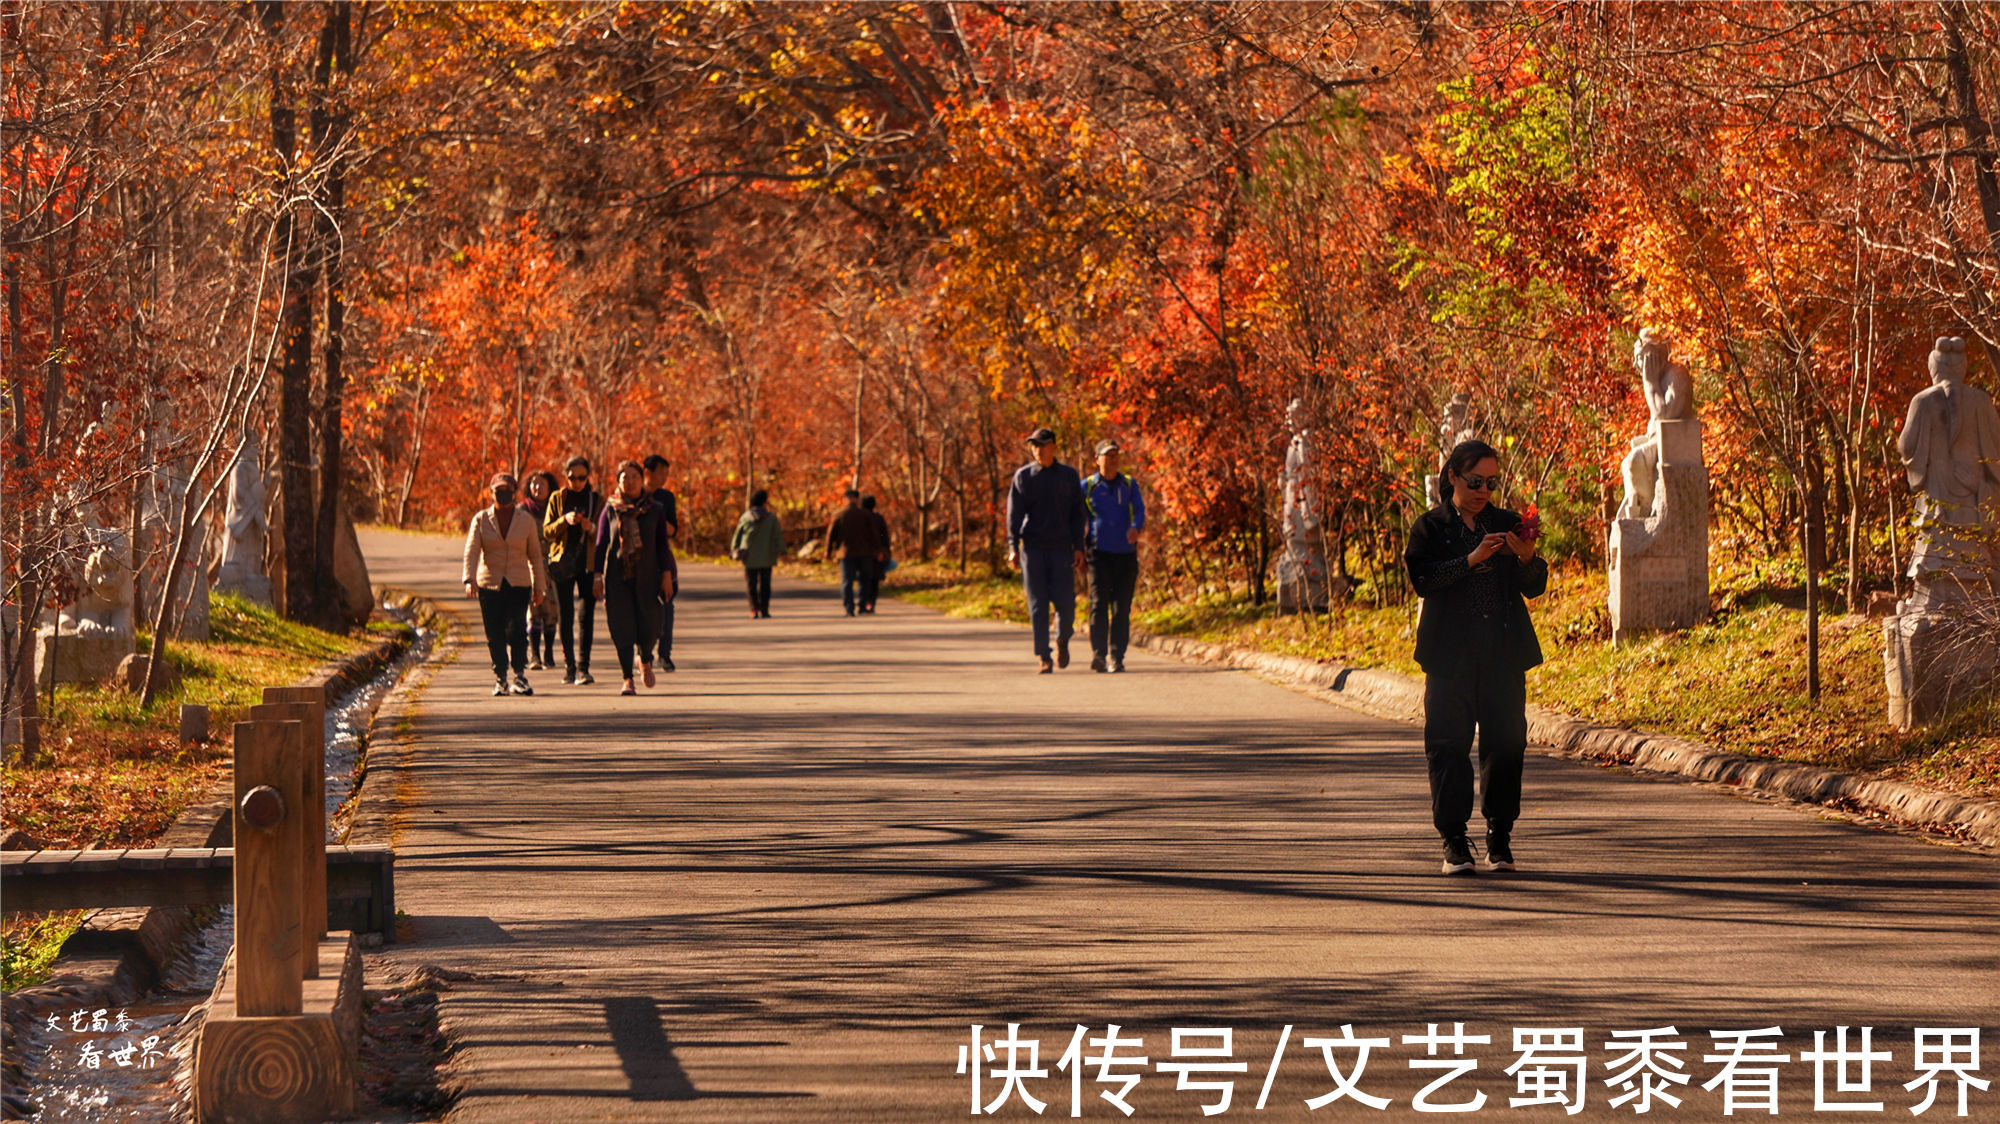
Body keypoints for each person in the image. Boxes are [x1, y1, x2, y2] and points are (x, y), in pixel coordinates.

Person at [1404, 438, 1547, 876]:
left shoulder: (1506, 523)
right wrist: (1470, 559)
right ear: (1452, 476)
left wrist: (1526, 558)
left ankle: (1499, 837)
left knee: (1506, 745)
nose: (1484, 489)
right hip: (1450, 658)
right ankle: (1453, 841)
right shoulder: (1430, 528)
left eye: (1490, 481)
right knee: (1448, 748)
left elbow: (1535, 584)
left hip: (1503, 653)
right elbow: (1424, 580)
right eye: (1475, 480)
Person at [1006, 426, 1086, 673]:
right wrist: (1013, 546)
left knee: (1066, 604)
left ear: (1053, 446)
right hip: (1033, 549)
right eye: (1034, 446)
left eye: (1042, 445)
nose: (1037, 450)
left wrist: (1078, 547)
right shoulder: (1023, 477)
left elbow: (1077, 514)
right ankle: (1043, 655)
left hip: (1061, 548)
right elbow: (1014, 514)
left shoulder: (1069, 476)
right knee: (1037, 605)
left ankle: (1062, 639)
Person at [462, 472, 549, 697]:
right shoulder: (481, 520)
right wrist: (469, 578)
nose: (503, 496)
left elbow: (535, 556)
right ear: (491, 493)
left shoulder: (525, 521)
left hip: (519, 583)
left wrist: (539, 587)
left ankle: (519, 675)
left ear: (515, 493)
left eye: (507, 491)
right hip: (490, 584)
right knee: (495, 633)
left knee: (517, 629)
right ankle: (500, 677)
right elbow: (471, 551)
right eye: (499, 492)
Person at [593, 460, 675, 696]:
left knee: (651, 625)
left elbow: (662, 544)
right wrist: (597, 576)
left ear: (642, 480)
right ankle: (627, 677)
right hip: (618, 576)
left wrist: (667, 574)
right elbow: (601, 545)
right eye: (624, 478)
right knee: (622, 626)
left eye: (634, 477)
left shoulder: (655, 509)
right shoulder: (610, 508)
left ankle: (646, 658)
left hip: (648, 574)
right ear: (617, 482)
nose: (629, 482)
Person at [1082, 440, 1146, 673]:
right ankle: (1098, 655)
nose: (1112, 461)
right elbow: (1076, 515)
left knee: (1121, 609)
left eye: (1116, 456)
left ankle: (1117, 657)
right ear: (1097, 459)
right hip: (1098, 554)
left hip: (1125, 556)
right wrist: (1077, 545)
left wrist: (1136, 527)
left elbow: (1139, 509)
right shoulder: (1087, 486)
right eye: (1107, 456)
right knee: (1098, 604)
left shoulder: (1129, 484)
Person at [542, 455, 604, 684]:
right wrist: (564, 520)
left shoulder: (596, 500)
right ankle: (569, 668)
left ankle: (583, 667)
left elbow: (605, 533)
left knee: (586, 616)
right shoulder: (557, 498)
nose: (577, 482)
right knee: (565, 615)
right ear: (565, 476)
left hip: (587, 564)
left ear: (588, 477)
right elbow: (547, 531)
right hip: (562, 562)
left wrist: (591, 527)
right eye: (572, 477)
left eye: (581, 477)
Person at [643, 454, 681, 671]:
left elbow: (673, 530)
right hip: (638, 557)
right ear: (647, 472)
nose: (664, 478)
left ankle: (664, 654)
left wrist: (656, 515)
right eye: (661, 473)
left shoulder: (666, 498)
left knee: (667, 604)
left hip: (662, 555)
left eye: (667, 474)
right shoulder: (633, 495)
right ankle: (644, 653)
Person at [521, 470, 560, 670]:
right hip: (530, 565)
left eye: (542, 484)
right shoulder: (522, 511)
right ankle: (534, 653)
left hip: (553, 565)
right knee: (533, 608)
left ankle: (549, 652)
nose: (537, 488)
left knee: (552, 610)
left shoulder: (556, 509)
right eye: (534, 484)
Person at [824, 488, 882, 617]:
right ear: (857, 499)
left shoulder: (838, 515)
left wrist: (828, 551)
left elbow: (831, 535)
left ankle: (849, 608)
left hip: (845, 553)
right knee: (864, 580)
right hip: (864, 552)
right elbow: (874, 534)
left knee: (847, 581)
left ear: (846, 499)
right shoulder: (866, 515)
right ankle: (862, 606)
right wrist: (877, 550)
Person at [730, 489, 784, 618]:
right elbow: (777, 536)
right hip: (767, 557)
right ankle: (764, 610)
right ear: (764, 502)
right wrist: (783, 551)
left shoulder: (745, 517)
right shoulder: (771, 518)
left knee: (751, 584)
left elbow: (738, 534)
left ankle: (754, 609)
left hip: (749, 557)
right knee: (765, 585)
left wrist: (734, 550)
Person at [861, 494, 891, 613]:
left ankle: (864, 603)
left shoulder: (859, 518)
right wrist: (885, 551)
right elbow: (884, 537)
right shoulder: (878, 518)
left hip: (863, 553)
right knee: (874, 581)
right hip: (876, 554)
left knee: (864, 580)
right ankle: (870, 604)